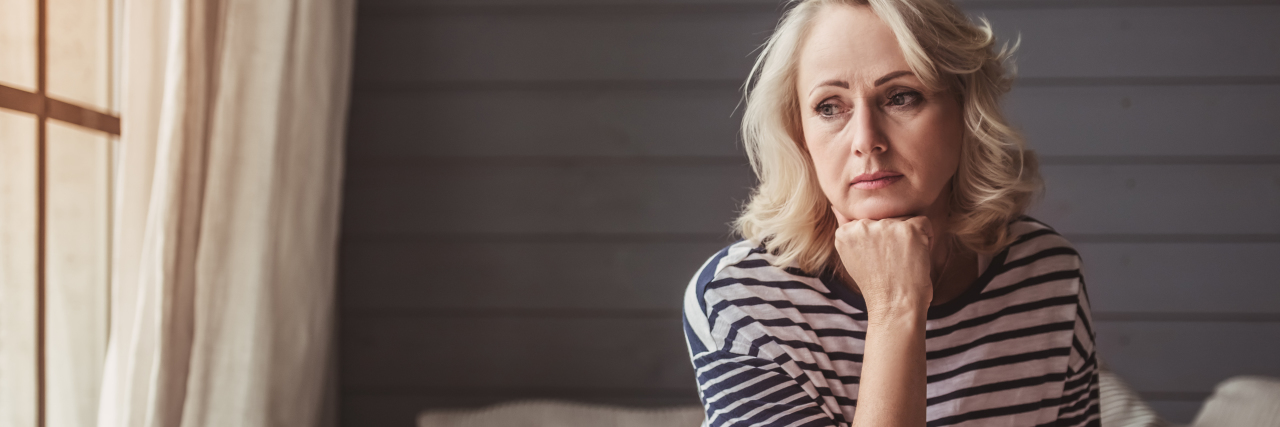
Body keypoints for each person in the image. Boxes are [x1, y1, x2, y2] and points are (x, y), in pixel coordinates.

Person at [680, 0, 1099, 426]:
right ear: (799, 133)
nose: (866, 139)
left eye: (901, 97)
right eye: (829, 107)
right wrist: (895, 307)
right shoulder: (738, 299)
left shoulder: (1046, 273)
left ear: (966, 111)